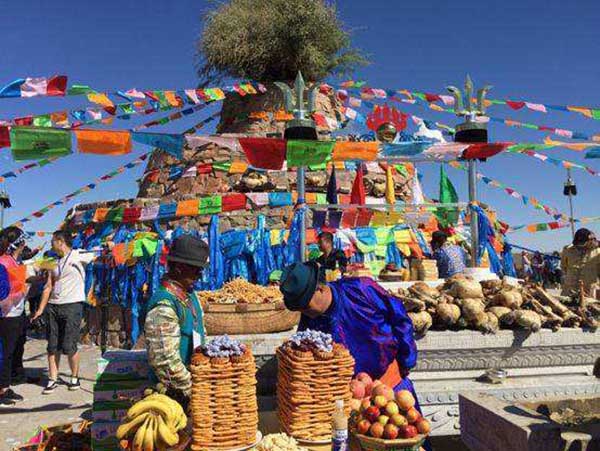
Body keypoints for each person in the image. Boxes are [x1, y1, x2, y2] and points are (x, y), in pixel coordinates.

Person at [279, 262, 430, 450]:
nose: (304, 311)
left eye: (305, 304)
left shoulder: (361, 289)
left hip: (392, 387)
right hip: (353, 402)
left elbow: (399, 318)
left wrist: (406, 360)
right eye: (299, 308)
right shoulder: (310, 319)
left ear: (319, 288)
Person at [144, 235, 208, 408]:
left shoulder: (190, 295)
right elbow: (165, 361)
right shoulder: (164, 305)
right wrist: (194, 390)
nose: (200, 275)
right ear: (179, 268)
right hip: (174, 396)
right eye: (196, 270)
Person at [32, 231, 96, 394]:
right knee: (52, 346)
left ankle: (75, 377)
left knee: (69, 345)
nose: (51, 244)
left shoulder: (78, 254)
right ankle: (52, 379)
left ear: (60, 241)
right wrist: (40, 309)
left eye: (53, 241)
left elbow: (98, 253)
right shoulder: (52, 260)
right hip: (53, 306)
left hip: (72, 305)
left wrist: (108, 246)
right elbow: (47, 286)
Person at [0, 227, 29, 406]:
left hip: (16, 312)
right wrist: (22, 289)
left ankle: (5, 384)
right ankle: (2, 390)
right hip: (6, 314)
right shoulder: (4, 262)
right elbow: (4, 293)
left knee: (12, 351)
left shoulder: (13, 261)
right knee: (5, 353)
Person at [561, 228, 600, 296]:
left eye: (582, 242)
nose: (580, 244)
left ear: (589, 240)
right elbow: (563, 266)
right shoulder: (567, 249)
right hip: (570, 289)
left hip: (589, 291)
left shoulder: (597, 251)